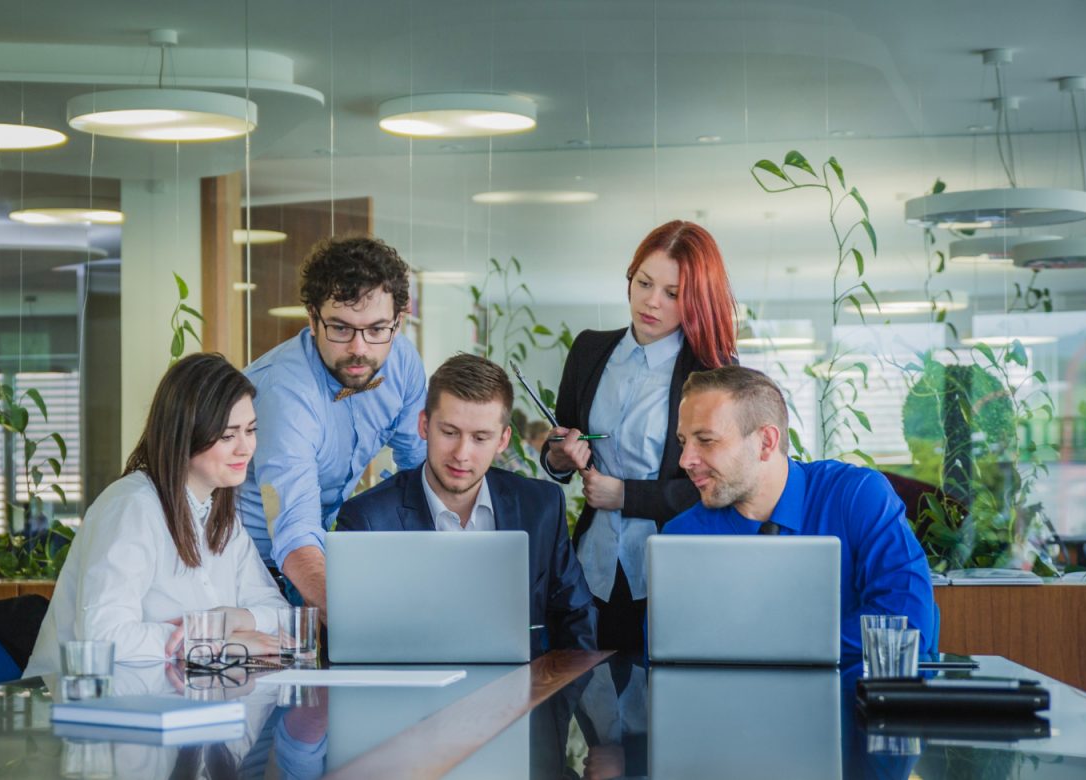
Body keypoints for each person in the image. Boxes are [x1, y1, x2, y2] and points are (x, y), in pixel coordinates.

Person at [542, 220, 738, 651]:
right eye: (644, 283)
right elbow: (562, 441)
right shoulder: (590, 350)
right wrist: (558, 457)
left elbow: (722, 488)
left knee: (664, 705)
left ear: (697, 301)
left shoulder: (712, 375)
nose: (651, 302)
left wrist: (626, 495)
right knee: (591, 704)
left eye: (673, 294)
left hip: (673, 569)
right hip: (592, 566)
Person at [25, 354, 289, 674]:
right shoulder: (132, 507)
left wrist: (230, 620)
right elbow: (103, 639)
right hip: (89, 706)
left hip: (176, 702)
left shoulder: (221, 516)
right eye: (228, 435)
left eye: (251, 430)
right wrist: (218, 643)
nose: (246, 448)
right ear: (186, 434)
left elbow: (281, 615)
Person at [664, 366, 938, 657]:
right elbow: (668, 652)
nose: (685, 460)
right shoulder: (683, 537)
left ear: (766, 442)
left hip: (851, 700)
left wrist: (766, 643)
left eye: (705, 440)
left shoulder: (857, 497)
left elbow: (909, 625)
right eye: (683, 442)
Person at [337, 354, 597, 650]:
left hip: (526, 690)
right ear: (424, 425)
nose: (462, 453)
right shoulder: (367, 521)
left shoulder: (540, 506)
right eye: (449, 433)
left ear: (502, 440)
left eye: (480, 438)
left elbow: (577, 618)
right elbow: (357, 643)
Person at [239, 236, 428, 612]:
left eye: (377, 329)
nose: (360, 349)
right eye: (341, 329)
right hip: (251, 568)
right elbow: (292, 528)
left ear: (398, 321)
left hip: (322, 554)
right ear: (312, 318)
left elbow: (418, 472)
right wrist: (357, 620)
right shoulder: (286, 393)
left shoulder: (402, 361)